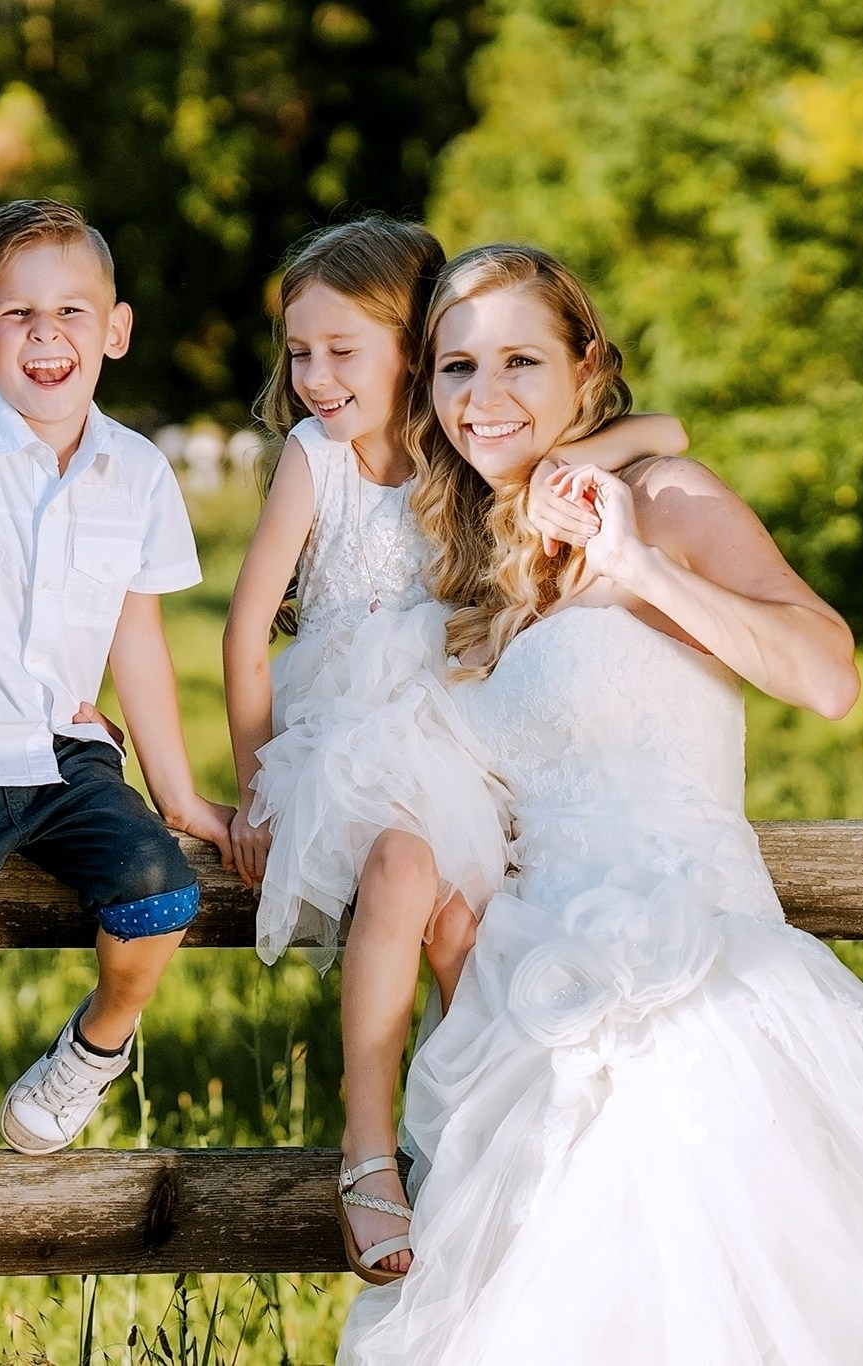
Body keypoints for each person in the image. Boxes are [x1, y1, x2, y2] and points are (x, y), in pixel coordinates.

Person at [336, 244, 863, 1364]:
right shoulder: (484, 559)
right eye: (457, 367)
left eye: (521, 360)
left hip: (693, 977)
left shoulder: (665, 501)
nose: (485, 395)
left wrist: (641, 565)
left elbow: (827, 675)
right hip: (528, 1005)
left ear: (587, 366)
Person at [222, 216, 686, 1283]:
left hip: (453, 727)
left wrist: (573, 462)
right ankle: (365, 1150)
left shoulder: (468, 448)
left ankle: (475, 1154)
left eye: (342, 350)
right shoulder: (316, 457)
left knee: (462, 929)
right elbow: (244, 635)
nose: (313, 378)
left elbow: (665, 426)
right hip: (342, 733)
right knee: (399, 871)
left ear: (412, 349)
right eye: (299, 353)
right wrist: (254, 790)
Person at [0, 198, 236, 1185]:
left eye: (71, 312)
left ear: (116, 330)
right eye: (17, 314)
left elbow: (137, 638)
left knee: (160, 890)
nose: (46, 335)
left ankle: (95, 1048)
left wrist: (178, 793)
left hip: (65, 751)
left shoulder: (139, 473)